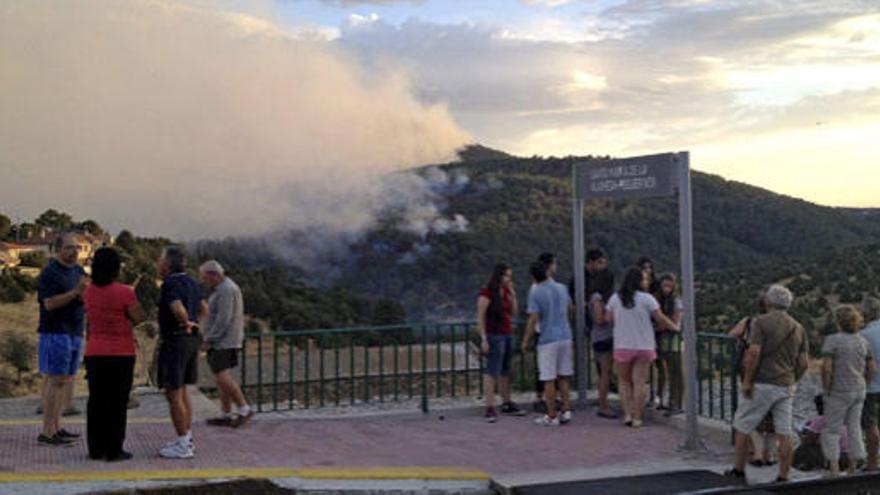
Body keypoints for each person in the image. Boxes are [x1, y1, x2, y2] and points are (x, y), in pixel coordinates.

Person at [726, 284, 809, 483]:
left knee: (743, 425)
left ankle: (738, 470)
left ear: (768, 302)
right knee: (784, 431)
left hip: (762, 383)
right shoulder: (798, 327)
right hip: (786, 384)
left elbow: (753, 352)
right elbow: (804, 362)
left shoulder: (761, 323)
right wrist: (792, 379)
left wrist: (747, 381)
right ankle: (783, 475)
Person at [83, 247, 145, 461]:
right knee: (117, 402)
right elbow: (138, 318)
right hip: (121, 352)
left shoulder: (88, 291)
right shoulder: (126, 292)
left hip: (95, 351)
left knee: (96, 401)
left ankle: (95, 448)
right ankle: (114, 449)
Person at [605, 267, 678, 428]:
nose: (647, 281)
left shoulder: (615, 299)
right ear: (639, 281)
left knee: (624, 382)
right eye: (645, 279)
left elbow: (608, 319)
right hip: (644, 345)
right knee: (639, 382)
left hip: (623, 345)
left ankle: (627, 415)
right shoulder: (648, 299)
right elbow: (660, 318)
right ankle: (638, 417)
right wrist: (674, 327)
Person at [36, 232, 88, 446]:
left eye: (77, 247)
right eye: (69, 247)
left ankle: (56, 428)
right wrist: (76, 292)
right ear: (58, 250)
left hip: (75, 331)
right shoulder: (50, 273)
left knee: (64, 381)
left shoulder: (78, 270)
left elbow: (84, 295)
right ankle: (47, 432)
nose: (74, 251)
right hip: (56, 332)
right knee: (55, 380)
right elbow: (48, 303)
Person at [156, 246, 207, 459]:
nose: (157, 264)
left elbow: (177, 307)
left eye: (159, 260)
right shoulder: (193, 282)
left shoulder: (170, 284)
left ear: (167, 266)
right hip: (190, 342)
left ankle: (183, 444)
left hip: (175, 341)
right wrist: (195, 325)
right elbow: (204, 308)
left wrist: (185, 321)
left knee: (172, 392)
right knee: (183, 391)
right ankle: (186, 438)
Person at [820, 305, 874, 476]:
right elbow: (872, 368)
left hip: (839, 390)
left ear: (838, 321)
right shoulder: (863, 341)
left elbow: (827, 368)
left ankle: (834, 469)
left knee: (832, 430)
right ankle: (853, 467)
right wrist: (865, 382)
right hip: (859, 389)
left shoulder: (832, 340)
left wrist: (827, 387)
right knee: (854, 427)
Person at [199, 260, 253, 428]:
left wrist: (209, 339)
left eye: (205, 278)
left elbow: (224, 319)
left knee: (222, 376)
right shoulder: (225, 288)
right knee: (220, 377)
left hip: (224, 341)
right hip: (226, 339)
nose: (204, 281)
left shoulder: (226, 291)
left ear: (214, 274)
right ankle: (226, 413)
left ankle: (244, 408)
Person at [522, 261, 573, 426]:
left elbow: (533, 318)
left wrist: (525, 340)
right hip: (565, 336)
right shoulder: (562, 288)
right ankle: (566, 410)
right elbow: (571, 308)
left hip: (548, 339)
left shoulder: (536, 293)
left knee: (548, 378)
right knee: (564, 376)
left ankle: (551, 415)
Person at [477, 263, 524, 422]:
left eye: (510, 276)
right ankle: (489, 407)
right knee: (492, 371)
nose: (508, 279)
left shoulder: (506, 292)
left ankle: (506, 401)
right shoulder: (487, 293)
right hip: (493, 335)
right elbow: (481, 316)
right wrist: (483, 338)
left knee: (506, 370)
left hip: (507, 333)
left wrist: (512, 294)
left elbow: (514, 312)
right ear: (499, 276)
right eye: (506, 276)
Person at [588, 268, 617, 419]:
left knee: (603, 373)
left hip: (598, 338)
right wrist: (611, 316)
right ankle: (603, 405)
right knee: (605, 374)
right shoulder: (598, 298)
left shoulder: (594, 296)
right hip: (604, 337)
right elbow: (599, 319)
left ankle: (602, 402)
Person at [654, 274, 684, 416]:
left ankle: (676, 403)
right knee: (665, 371)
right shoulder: (659, 300)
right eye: (664, 285)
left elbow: (676, 322)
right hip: (662, 339)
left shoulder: (676, 301)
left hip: (674, 340)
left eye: (669, 286)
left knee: (676, 372)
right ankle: (663, 401)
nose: (666, 289)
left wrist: (661, 326)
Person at [531, 252, 556, 413]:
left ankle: (549, 397)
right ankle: (542, 398)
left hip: (549, 331)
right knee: (544, 368)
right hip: (545, 331)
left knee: (549, 368)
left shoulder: (544, 285)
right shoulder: (539, 287)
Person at [860, 297, 880, 471]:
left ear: (865, 314)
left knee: (871, 425)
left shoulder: (862, 335)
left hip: (871, 387)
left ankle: (873, 464)